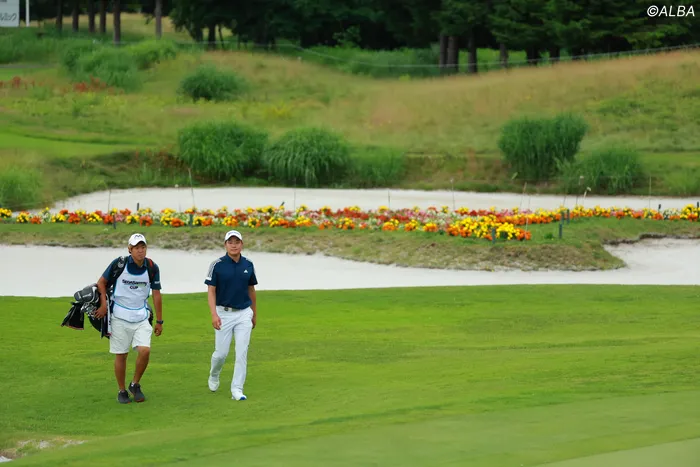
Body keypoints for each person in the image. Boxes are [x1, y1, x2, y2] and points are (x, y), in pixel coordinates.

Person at [94, 233, 163, 404]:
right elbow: (101, 283)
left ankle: (135, 384)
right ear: (129, 249)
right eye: (136, 248)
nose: (140, 251)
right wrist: (103, 305)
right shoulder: (119, 264)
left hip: (141, 316)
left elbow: (156, 294)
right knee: (121, 355)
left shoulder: (152, 267)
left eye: (143, 247)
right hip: (119, 316)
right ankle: (122, 390)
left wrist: (159, 321)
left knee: (145, 351)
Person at [205, 229, 258, 401]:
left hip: (244, 313)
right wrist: (214, 314)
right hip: (224, 313)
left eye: (237, 242)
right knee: (221, 354)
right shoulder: (217, 265)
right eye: (230, 242)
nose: (234, 245)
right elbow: (211, 291)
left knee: (241, 352)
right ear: (225, 245)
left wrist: (254, 314)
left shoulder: (248, 264)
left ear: (242, 244)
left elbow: (251, 290)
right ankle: (214, 374)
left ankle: (237, 389)